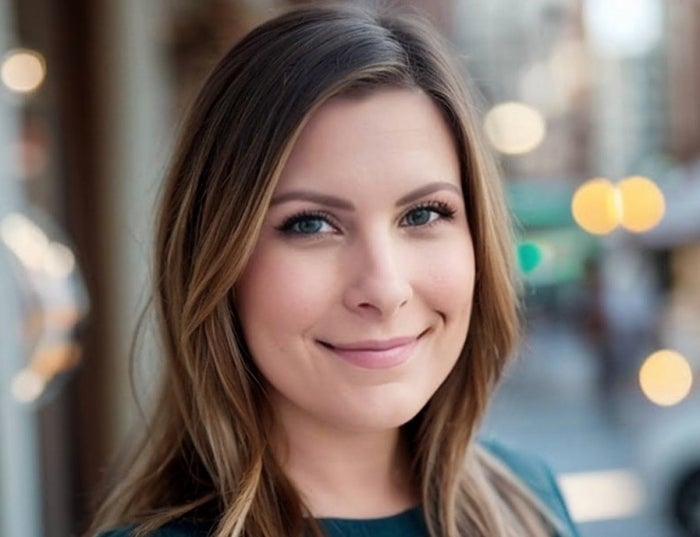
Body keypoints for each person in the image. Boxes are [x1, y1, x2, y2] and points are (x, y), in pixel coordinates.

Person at [89, 3, 579, 537]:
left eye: (423, 214)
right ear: (217, 258)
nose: (385, 289)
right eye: (311, 225)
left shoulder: (532, 502)